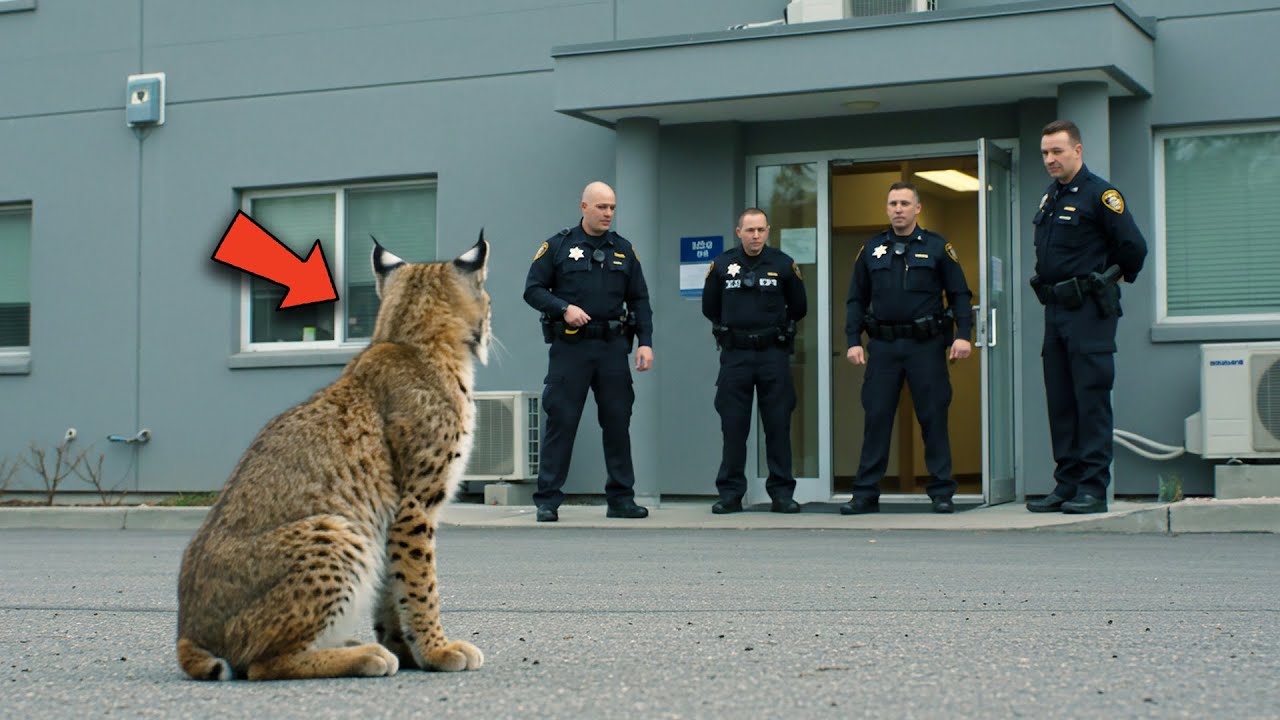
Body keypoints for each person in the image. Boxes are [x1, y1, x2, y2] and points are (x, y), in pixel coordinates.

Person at [1025, 120, 1147, 515]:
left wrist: (1106, 280)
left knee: (1090, 399)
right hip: (1055, 311)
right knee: (1060, 401)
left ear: (1078, 150)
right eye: (1045, 152)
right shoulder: (1051, 197)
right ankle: (1068, 484)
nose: (1050, 159)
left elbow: (1133, 248)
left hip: (1089, 311)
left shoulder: (1102, 194)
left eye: (1057, 151)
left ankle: (1093, 488)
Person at [524, 181, 655, 523]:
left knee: (617, 422)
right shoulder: (559, 246)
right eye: (601, 207)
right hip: (571, 347)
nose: (608, 213)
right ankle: (548, 500)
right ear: (584, 207)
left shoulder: (624, 250)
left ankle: (621, 499)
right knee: (562, 421)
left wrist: (645, 342)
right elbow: (533, 289)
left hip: (612, 347)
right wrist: (563, 307)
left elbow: (640, 299)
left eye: (612, 207)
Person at [840, 182, 973, 515]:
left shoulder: (937, 247)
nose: (898, 209)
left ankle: (942, 491)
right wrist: (853, 340)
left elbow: (959, 294)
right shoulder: (871, 250)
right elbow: (856, 298)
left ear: (917, 209)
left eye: (904, 203)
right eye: (892, 203)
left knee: (933, 418)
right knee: (877, 419)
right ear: (887, 209)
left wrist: (963, 334)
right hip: (883, 347)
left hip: (925, 346)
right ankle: (866, 493)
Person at [701, 208, 808, 514]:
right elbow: (710, 307)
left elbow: (799, 306)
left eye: (761, 230)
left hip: (773, 354)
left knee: (777, 426)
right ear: (739, 232)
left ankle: (782, 494)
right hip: (736, 355)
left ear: (768, 230)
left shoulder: (783, 263)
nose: (756, 236)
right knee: (733, 428)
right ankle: (731, 494)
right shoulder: (722, 265)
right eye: (750, 230)